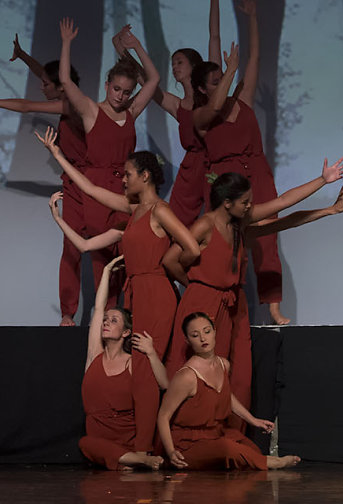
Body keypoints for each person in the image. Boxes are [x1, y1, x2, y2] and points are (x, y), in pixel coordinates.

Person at [40, 127, 201, 451]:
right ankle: (145, 446)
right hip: (137, 293)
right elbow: (90, 189)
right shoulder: (133, 209)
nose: (123, 180)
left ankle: (144, 449)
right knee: (140, 371)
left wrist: (170, 268)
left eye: (128, 175)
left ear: (145, 176)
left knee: (143, 369)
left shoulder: (160, 210)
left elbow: (192, 248)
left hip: (156, 294)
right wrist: (57, 155)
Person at [163, 165, 343, 416]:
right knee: (201, 370)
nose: (250, 206)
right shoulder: (205, 225)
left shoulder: (239, 223)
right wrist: (196, 286)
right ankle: (194, 430)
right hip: (204, 303)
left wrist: (325, 192)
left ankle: (228, 429)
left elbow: (284, 206)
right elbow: (170, 260)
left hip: (234, 303)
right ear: (227, 203)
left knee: (238, 370)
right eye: (245, 202)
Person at [0, 36, 87, 326]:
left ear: (61, 86)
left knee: (98, 249)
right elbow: (46, 75)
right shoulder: (67, 98)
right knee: (71, 249)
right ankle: (68, 314)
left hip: (90, 183)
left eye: (46, 84)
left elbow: (25, 106)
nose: (41, 87)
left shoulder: (71, 106)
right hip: (74, 184)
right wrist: (23, 57)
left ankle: (110, 310)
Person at [193, 0, 289, 325]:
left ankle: (273, 305)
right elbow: (214, 103)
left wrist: (252, 18)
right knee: (227, 243)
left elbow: (255, 57)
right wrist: (229, 70)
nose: (225, 81)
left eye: (224, 76)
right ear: (203, 90)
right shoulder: (201, 116)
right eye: (216, 81)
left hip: (257, 173)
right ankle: (227, 303)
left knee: (267, 238)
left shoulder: (242, 101)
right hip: (227, 183)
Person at [59, 20, 160, 296]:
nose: (121, 96)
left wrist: (136, 46)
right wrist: (66, 43)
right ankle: (105, 309)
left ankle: (124, 309)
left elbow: (153, 80)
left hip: (127, 186)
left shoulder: (131, 111)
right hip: (97, 186)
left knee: (129, 246)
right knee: (101, 252)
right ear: (107, 85)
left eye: (127, 92)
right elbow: (66, 81)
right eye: (116, 89)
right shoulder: (91, 111)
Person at [156, 312, 301, 470]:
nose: (203, 338)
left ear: (214, 332)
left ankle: (262, 460)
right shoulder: (187, 376)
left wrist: (253, 420)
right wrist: (171, 452)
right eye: (195, 335)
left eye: (207, 331)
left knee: (251, 449)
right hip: (188, 444)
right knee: (228, 449)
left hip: (216, 434)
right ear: (188, 340)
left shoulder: (223, 364)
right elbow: (163, 415)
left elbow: (226, 397)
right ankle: (274, 462)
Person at [150, 0, 227, 226]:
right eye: (172, 63)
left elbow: (214, 38)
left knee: (217, 224)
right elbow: (150, 88)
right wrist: (127, 52)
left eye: (179, 62)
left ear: (194, 66)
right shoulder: (178, 105)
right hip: (189, 170)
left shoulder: (211, 94)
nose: (174, 67)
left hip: (214, 164)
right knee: (176, 224)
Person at [79, 256, 167, 471]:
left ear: (126, 332)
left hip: (128, 440)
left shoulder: (132, 362)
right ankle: (136, 461)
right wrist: (107, 271)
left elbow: (165, 384)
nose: (106, 323)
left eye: (114, 321)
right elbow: (99, 308)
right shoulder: (94, 355)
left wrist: (151, 353)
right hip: (100, 441)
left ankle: (132, 458)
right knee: (85, 443)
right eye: (106, 320)